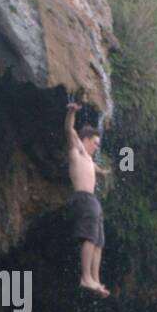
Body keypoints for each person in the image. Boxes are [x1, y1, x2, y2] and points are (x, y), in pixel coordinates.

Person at [65, 101, 109, 296]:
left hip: (92, 201)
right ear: (85, 140)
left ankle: (95, 280)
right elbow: (69, 129)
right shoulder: (77, 150)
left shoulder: (89, 159)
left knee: (99, 241)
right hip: (82, 199)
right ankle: (85, 277)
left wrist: (104, 172)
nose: (96, 147)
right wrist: (71, 112)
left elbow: (94, 168)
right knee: (89, 238)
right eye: (94, 143)